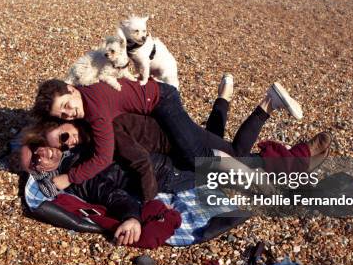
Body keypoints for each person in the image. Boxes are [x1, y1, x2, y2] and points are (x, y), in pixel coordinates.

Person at [23, 75, 331, 199]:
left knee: (205, 159)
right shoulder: (85, 95)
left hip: (162, 101)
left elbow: (104, 156)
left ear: (71, 89)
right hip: (159, 112)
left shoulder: (94, 110)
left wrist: (67, 179)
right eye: (62, 115)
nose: (70, 114)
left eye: (67, 107)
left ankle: (286, 165)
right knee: (227, 147)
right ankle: (251, 102)